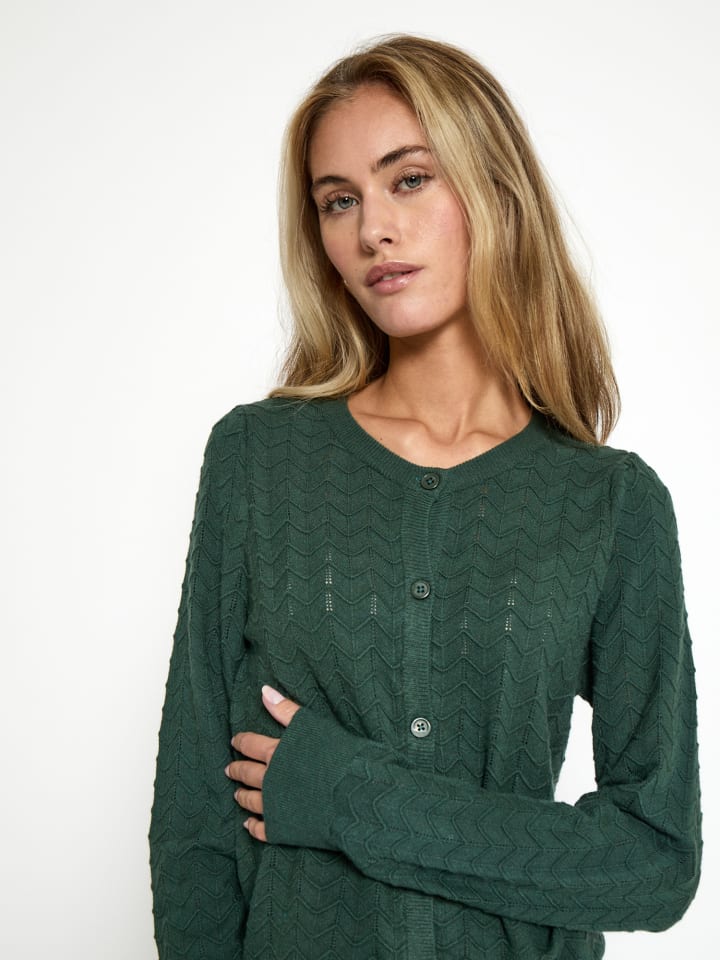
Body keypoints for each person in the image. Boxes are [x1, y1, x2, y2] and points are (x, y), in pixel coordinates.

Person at [149, 34, 701, 959]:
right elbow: (196, 821)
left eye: (409, 180)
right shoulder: (259, 461)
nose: (373, 230)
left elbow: (654, 863)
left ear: (495, 192)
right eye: (339, 200)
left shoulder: (610, 504)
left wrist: (351, 796)